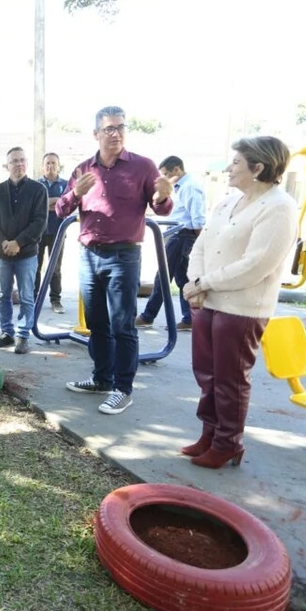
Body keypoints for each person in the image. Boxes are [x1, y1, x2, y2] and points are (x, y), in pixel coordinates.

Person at [181, 136, 298, 468]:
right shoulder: (227, 203)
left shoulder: (279, 206)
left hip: (242, 308)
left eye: (236, 162)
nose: (229, 168)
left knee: (230, 379)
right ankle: (210, 433)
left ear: (258, 167)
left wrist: (205, 283)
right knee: (207, 374)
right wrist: (195, 283)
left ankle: (228, 441)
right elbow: (202, 245)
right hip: (207, 301)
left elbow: (257, 263)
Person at [56, 106, 175, 415]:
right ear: (96, 134)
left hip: (124, 256)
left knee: (123, 324)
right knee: (96, 323)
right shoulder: (84, 169)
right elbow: (60, 211)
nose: (116, 133)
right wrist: (73, 196)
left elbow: (161, 209)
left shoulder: (143, 167)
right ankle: (101, 378)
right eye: (109, 128)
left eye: (120, 127)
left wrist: (163, 196)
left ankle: (123, 389)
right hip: (89, 256)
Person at [0, 147, 48, 354]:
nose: (18, 164)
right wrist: (4, 242)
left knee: (26, 295)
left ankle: (23, 336)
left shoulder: (38, 190)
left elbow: (39, 223)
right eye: (14, 161)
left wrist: (18, 243)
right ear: (7, 165)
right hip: (1, 254)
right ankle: (7, 333)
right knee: (3, 295)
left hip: (27, 254)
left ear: (27, 163)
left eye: (22, 160)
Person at [136, 156, 207, 331]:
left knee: (163, 276)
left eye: (167, 174)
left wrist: (198, 243)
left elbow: (197, 218)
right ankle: (189, 317)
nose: (165, 178)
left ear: (177, 170)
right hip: (177, 234)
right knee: (182, 277)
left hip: (183, 235)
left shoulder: (190, 186)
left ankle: (148, 316)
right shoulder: (180, 187)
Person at [37, 153, 67, 314]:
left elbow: (67, 205)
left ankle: (56, 300)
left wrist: (52, 202)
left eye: (53, 163)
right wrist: (56, 202)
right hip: (38, 233)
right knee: (35, 266)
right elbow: (36, 206)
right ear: (43, 166)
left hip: (58, 231)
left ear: (58, 166)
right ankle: (34, 299)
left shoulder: (66, 184)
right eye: (47, 163)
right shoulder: (36, 185)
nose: (50, 166)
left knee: (55, 268)